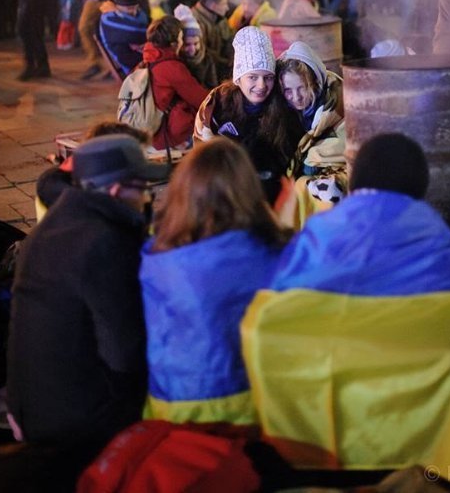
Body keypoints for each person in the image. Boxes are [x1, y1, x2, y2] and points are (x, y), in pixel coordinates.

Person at [241, 133, 450, 484]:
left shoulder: (322, 227)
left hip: (309, 398)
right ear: (419, 183)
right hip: (418, 412)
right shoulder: (436, 235)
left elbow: (275, 295)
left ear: (357, 180)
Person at [7, 135, 168, 486]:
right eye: (142, 190)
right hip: (78, 423)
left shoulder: (54, 223)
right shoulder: (103, 241)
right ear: (116, 192)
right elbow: (126, 354)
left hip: (31, 404)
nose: (146, 200)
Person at [140, 137, 290, 425]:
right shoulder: (264, 255)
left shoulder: (156, 258)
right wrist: (281, 215)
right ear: (248, 190)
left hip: (168, 406)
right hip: (247, 406)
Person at [194, 26, 303, 205]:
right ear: (238, 78)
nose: (261, 86)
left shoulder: (284, 103)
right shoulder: (216, 104)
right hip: (226, 186)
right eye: (252, 77)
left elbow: (291, 154)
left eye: (268, 77)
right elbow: (201, 154)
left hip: (271, 189)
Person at [276, 42, 346, 226]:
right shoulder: (283, 112)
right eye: (288, 91)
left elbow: (348, 152)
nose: (296, 97)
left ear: (315, 82)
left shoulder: (341, 105)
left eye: (301, 88)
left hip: (336, 177)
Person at [142, 15, 208, 151]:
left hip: (148, 132)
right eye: (181, 37)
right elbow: (201, 99)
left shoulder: (149, 58)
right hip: (164, 137)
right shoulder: (172, 68)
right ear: (174, 43)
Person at [99, 0, 148, 76]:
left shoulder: (138, 13)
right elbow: (140, 32)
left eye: (136, 7)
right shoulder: (109, 18)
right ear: (116, 5)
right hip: (133, 68)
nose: (133, 12)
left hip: (143, 59)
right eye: (129, 8)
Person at [192, 0, 234, 81]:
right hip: (205, 75)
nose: (227, 8)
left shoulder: (219, 17)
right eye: (224, 4)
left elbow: (229, 39)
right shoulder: (195, 22)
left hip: (220, 69)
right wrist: (226, 62)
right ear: (213, 6)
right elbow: (204, 53)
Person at [174, 3, 217, 88]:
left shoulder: (207, 59)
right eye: (187, 44)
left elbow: (213, 86)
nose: (192, 49)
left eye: (196, 43)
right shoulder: (176, 61)